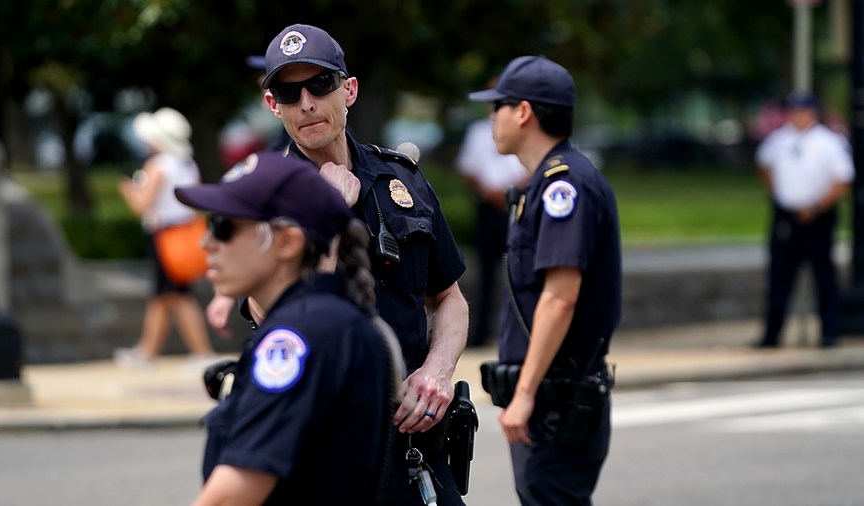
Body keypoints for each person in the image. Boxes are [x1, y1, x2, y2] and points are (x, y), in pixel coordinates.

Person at [207, 23, 471, 505]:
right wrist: (322, 213)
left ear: (348, 90)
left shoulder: (402, 180)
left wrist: (436, 371)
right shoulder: (261, 198)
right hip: (328, 457)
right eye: (289, 92)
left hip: (415, 449)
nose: (306, 103)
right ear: (272, 106)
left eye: (320, 84)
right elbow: (279, 320)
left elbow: (448, 298)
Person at [177, 152, 404, 505]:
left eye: (224, 226)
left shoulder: (300, 334)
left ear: (286, 242)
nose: (206, 243)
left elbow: (229, 497)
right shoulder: (323, 321)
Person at [469, 56, 620, 505]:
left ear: (523, 112)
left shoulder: (563, 186)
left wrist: (528, 392)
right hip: (553, 400)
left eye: (496, 107)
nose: (490, 119)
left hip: (557, 401)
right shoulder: (544, 182)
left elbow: (559, 297)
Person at [115, 107, 217, 369]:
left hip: (165, 237)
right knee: (164, 296)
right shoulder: (187, 163)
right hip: (186, 233)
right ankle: (147, 352)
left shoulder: (158, 165)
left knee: (175, 295)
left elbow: (142, 205)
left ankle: (200, 353)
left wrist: (128, 189)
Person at [755, 92, 855, 349]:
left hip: (818, 217)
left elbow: (842, 179)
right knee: (779, 278)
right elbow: (764, 166)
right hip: (786, 215)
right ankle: (772, 334)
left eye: (803, 111)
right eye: (793, 110)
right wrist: (779, 196)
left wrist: (816, 207)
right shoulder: (778, 140)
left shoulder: (828, 142)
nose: (797, 116)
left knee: (823, 278)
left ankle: (828, 333)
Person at [455, 110, 527, 348]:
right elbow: (468, 168)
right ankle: (482, 332)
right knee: (486, 275)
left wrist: (511, 192)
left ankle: (519, 332)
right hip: (487, 205)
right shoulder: (478, 131)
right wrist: (490, 193)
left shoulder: (522, 127)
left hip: (517, 203)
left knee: (519, 271)